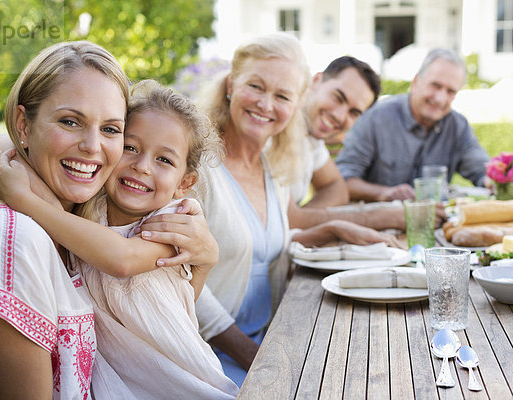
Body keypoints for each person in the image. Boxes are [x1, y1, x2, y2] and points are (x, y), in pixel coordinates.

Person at [0, 41, 217, 399]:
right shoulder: (13, 239)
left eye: (110, 129)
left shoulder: (79, 220)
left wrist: (207, 259)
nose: (92, 146)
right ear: (23, 124)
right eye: (70, 121)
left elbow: (165, 308)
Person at [138, 32, 403, 387]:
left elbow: (260, 249)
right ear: (231, 84)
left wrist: (335, 232)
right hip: (203, 356)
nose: (266, 104)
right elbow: (173, 275)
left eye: (282, 96)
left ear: (295, 105)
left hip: (266, 337)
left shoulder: (273, 163)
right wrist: (258, 358)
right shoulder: (195, 168)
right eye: (256, 86)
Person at [0, 80, 239, 399]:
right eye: (130, 147)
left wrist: (25, 201)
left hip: (183, 386)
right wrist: (11, 168)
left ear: (184, 182)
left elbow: (120, 260)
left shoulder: (174, 222)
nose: (142, 166)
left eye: (164, 160)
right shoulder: (89, 207)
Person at [335, 48, 491, 202]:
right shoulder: (376, 118)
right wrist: (385, 193)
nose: (440, 99)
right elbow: (343, 179)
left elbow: (483, 170)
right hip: (379, 221)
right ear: (416, 82)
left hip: (436, 222)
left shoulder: (458, 126)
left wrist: (492, 180)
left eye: (450, 91)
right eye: (435, 86)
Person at [291, 56, 381, 208]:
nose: (340, 116)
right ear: (316, 81)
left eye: (353, 113)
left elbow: (337, 189)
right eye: (338, 98)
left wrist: (304, 216)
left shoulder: (311, 138)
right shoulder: (276, 124)